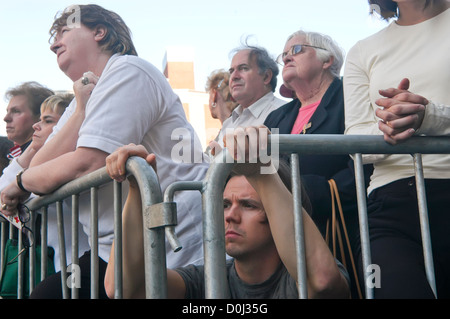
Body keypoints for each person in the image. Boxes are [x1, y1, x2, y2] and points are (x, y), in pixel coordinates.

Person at [1, 4, 208, 299]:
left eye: (64, 31)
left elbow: (87, 163)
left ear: (100, 32)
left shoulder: (128, 70)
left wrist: (21, 184)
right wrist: (81, 111)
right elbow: (37, 166)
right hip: (113, 250)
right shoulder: (77, 102)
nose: (53, 44)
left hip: (170, 244)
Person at [104, 141, 350, 299]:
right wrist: (138, 190)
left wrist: (260, 172)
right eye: (224, 205)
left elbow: (322, 282)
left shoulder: (303, 277)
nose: (230, 216)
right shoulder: (208, 279)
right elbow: (126, 288)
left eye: (248, 205)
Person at [344, 0, 450, 298]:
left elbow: (429, 116)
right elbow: (355, 141)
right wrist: (392, 125)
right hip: (391, 206)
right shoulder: (362, 51)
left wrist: (429, 116)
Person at [264, 30, 373, 298]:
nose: (287, 56)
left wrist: (311, 191)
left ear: (327, 60)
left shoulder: (350, 97)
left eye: (297, 49)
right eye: (284, 53)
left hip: (345, 231)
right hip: (286, 235)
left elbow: (370, 163)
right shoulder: (277, 117)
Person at [0, 93, 90, 274]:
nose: (36, 125)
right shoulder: (42, 165)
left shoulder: (66, 166)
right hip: (62, 269)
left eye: (48, 121)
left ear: (69, 126)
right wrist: (34, 147)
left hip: (79, 270)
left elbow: (10, 190)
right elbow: (3, 191)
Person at [210, 44, 285, 153]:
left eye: (243, 68)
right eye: (231, 71)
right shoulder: (229, 122)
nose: (234, 76)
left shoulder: (284, 114)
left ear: (266, 76)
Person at [3, 81, 54, 160]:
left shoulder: (43, 157)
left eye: (16, 111)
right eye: (7, 111)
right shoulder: (16, 154)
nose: (6, 118)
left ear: (40, 117)